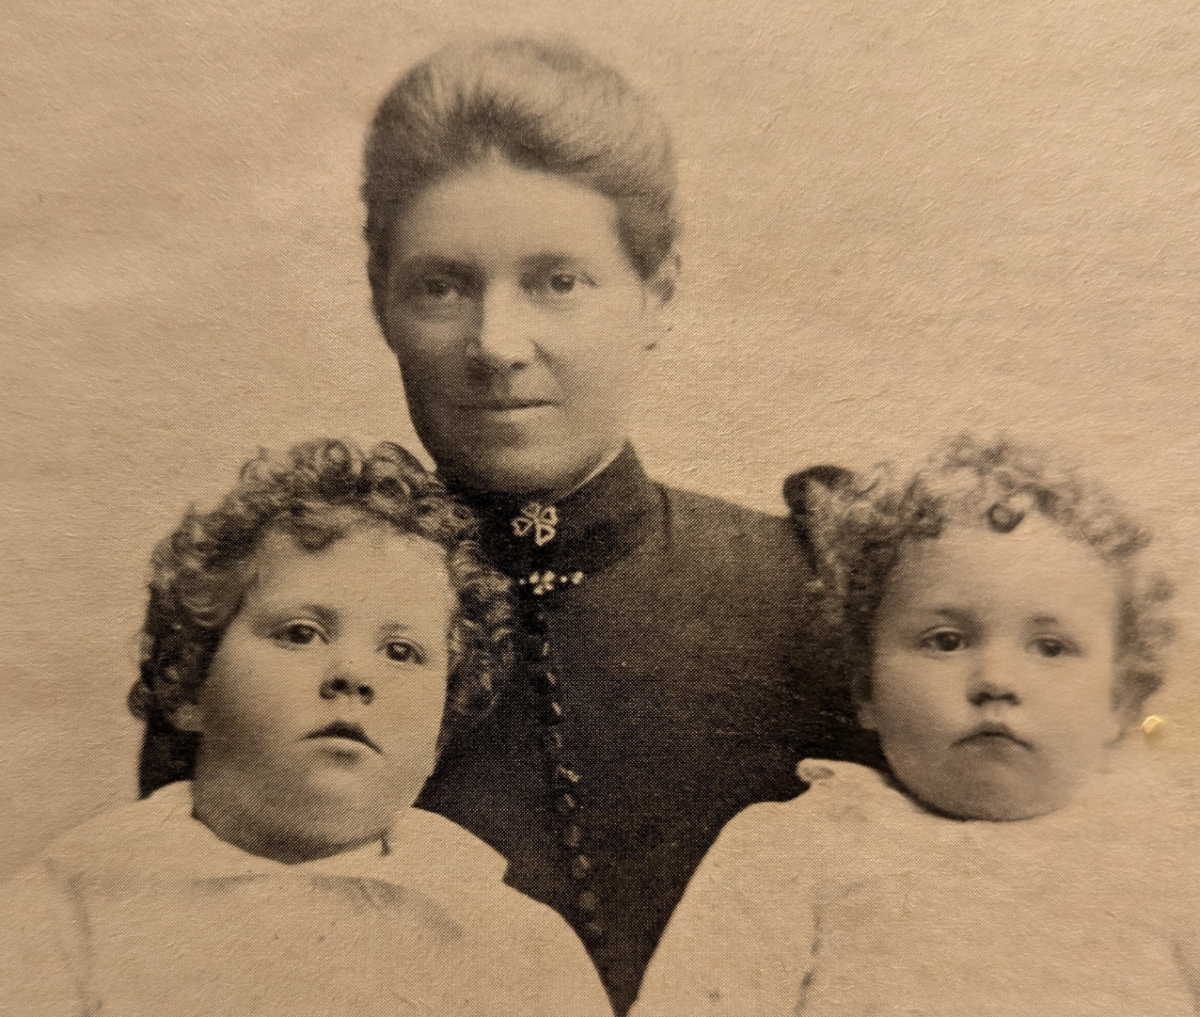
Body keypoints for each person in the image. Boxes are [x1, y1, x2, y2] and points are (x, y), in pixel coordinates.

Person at [139, 36, 878, 1015]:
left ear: (655, 295)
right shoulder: (273, 622)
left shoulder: (817, 596)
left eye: (557, 281)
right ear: (381, 303)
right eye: (442, 286)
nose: (495, 344)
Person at [2, 440, 611, 1017]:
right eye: (301, 633)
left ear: (439, 729)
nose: (353, 675)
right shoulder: (70, 910)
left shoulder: (514, 947)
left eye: (401, 651)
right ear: (188, 682)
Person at [632, 434, 1197, 1016]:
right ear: (866, 687)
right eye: (945, 641)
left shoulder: (1170, 856)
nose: (996, 679)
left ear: (1121, 703)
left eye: (1050, 648)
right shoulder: (795, 852)